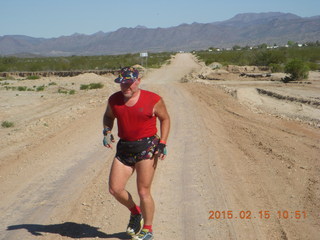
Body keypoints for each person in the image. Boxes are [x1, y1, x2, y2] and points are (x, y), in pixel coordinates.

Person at [102, 67, 170, 240]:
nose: (126, 87)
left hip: (146, 147)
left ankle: (148, 230)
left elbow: (165, 119)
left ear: (138, 81)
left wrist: (162, 142)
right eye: (123, 83)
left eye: (130, 83)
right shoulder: (114, 100)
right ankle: (135, 212)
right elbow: (108, 116)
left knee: (143, 191)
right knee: (115, 189)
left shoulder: (153, 99)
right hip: (124, 147)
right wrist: (107, 131)